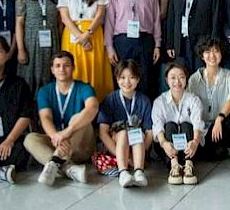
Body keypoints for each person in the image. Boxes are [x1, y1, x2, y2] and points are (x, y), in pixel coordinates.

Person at [24, 51, 99, 186]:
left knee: (79, 119)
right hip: (57, 142)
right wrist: (55, 136)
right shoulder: (45, 91)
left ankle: (54, 163)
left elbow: (92, 107)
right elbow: (45, 117)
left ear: (73, 67)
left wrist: (68, 131)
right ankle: (68, 168)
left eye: (66, 65)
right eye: (57, 66)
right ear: (52, 69)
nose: (62, 69)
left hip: (81, 145)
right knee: (29, 139)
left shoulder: (84, 87)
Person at [104, 0, 161, 96]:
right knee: (123, 79)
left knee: (144, 79)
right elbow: (110, 21)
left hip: (145, 41)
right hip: (122, 41)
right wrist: (109, 47)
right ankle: (122, 117)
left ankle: (142, 115)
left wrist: (157, 45)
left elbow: (156, 19)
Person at [58, 0, 113, 103]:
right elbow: (65, 18)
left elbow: (100, 15)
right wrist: (80, 38)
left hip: (94, 34)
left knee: (96, 71)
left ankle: (96, 111)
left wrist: (87, 35)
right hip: (72, 35)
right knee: (74, 70)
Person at [97, 59, 152, 188]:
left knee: (136, 132)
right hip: (116, 146)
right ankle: (123, 172)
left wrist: (140, 154)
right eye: (122, 77)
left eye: (131, 77)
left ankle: (139, 171)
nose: (127, 82)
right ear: (116, 79)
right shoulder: (110, 99)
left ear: (138, 79)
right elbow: (103, 132)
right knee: (123, 134)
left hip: (138, 147)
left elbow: (150, 132)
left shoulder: (144, 101)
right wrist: (125, 158)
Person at [187, 37, 230, 162]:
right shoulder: (194, 79)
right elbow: (189, 107)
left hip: (222, 123)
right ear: (202, 56)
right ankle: (219, 149)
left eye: (216, 51)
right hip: (203, 128)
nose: (212, 55)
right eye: (207, 51)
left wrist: (220, 117)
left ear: (221, 54)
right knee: (212, 156)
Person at [152, 60, 204, 185]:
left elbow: (198, 123)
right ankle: (174, 166)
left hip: (190, 148)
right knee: (169, 125)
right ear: (166, 80)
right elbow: (158, 126)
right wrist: (164, 143)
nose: (177, 82)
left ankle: (188, 165)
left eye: (181, 77)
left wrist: (195, 142)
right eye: (173, 78)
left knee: (186, 125)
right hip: (168, 149)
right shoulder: (160, 101)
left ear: (186, 79)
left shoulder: (194, 100)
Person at [16, 0, 60, 97]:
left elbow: (60, 23)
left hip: (52, 43)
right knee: (29, 81)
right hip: (30, 43)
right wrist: (21, 49)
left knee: (50, 78)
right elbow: (19, 23)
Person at [0, 36, 32, 184]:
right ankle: (1, 172)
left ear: (6, 54)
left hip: (8, 138)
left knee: (21, 149)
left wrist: (9, 140)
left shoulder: (18, 84)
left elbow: (25, 115)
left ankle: (2, 170)